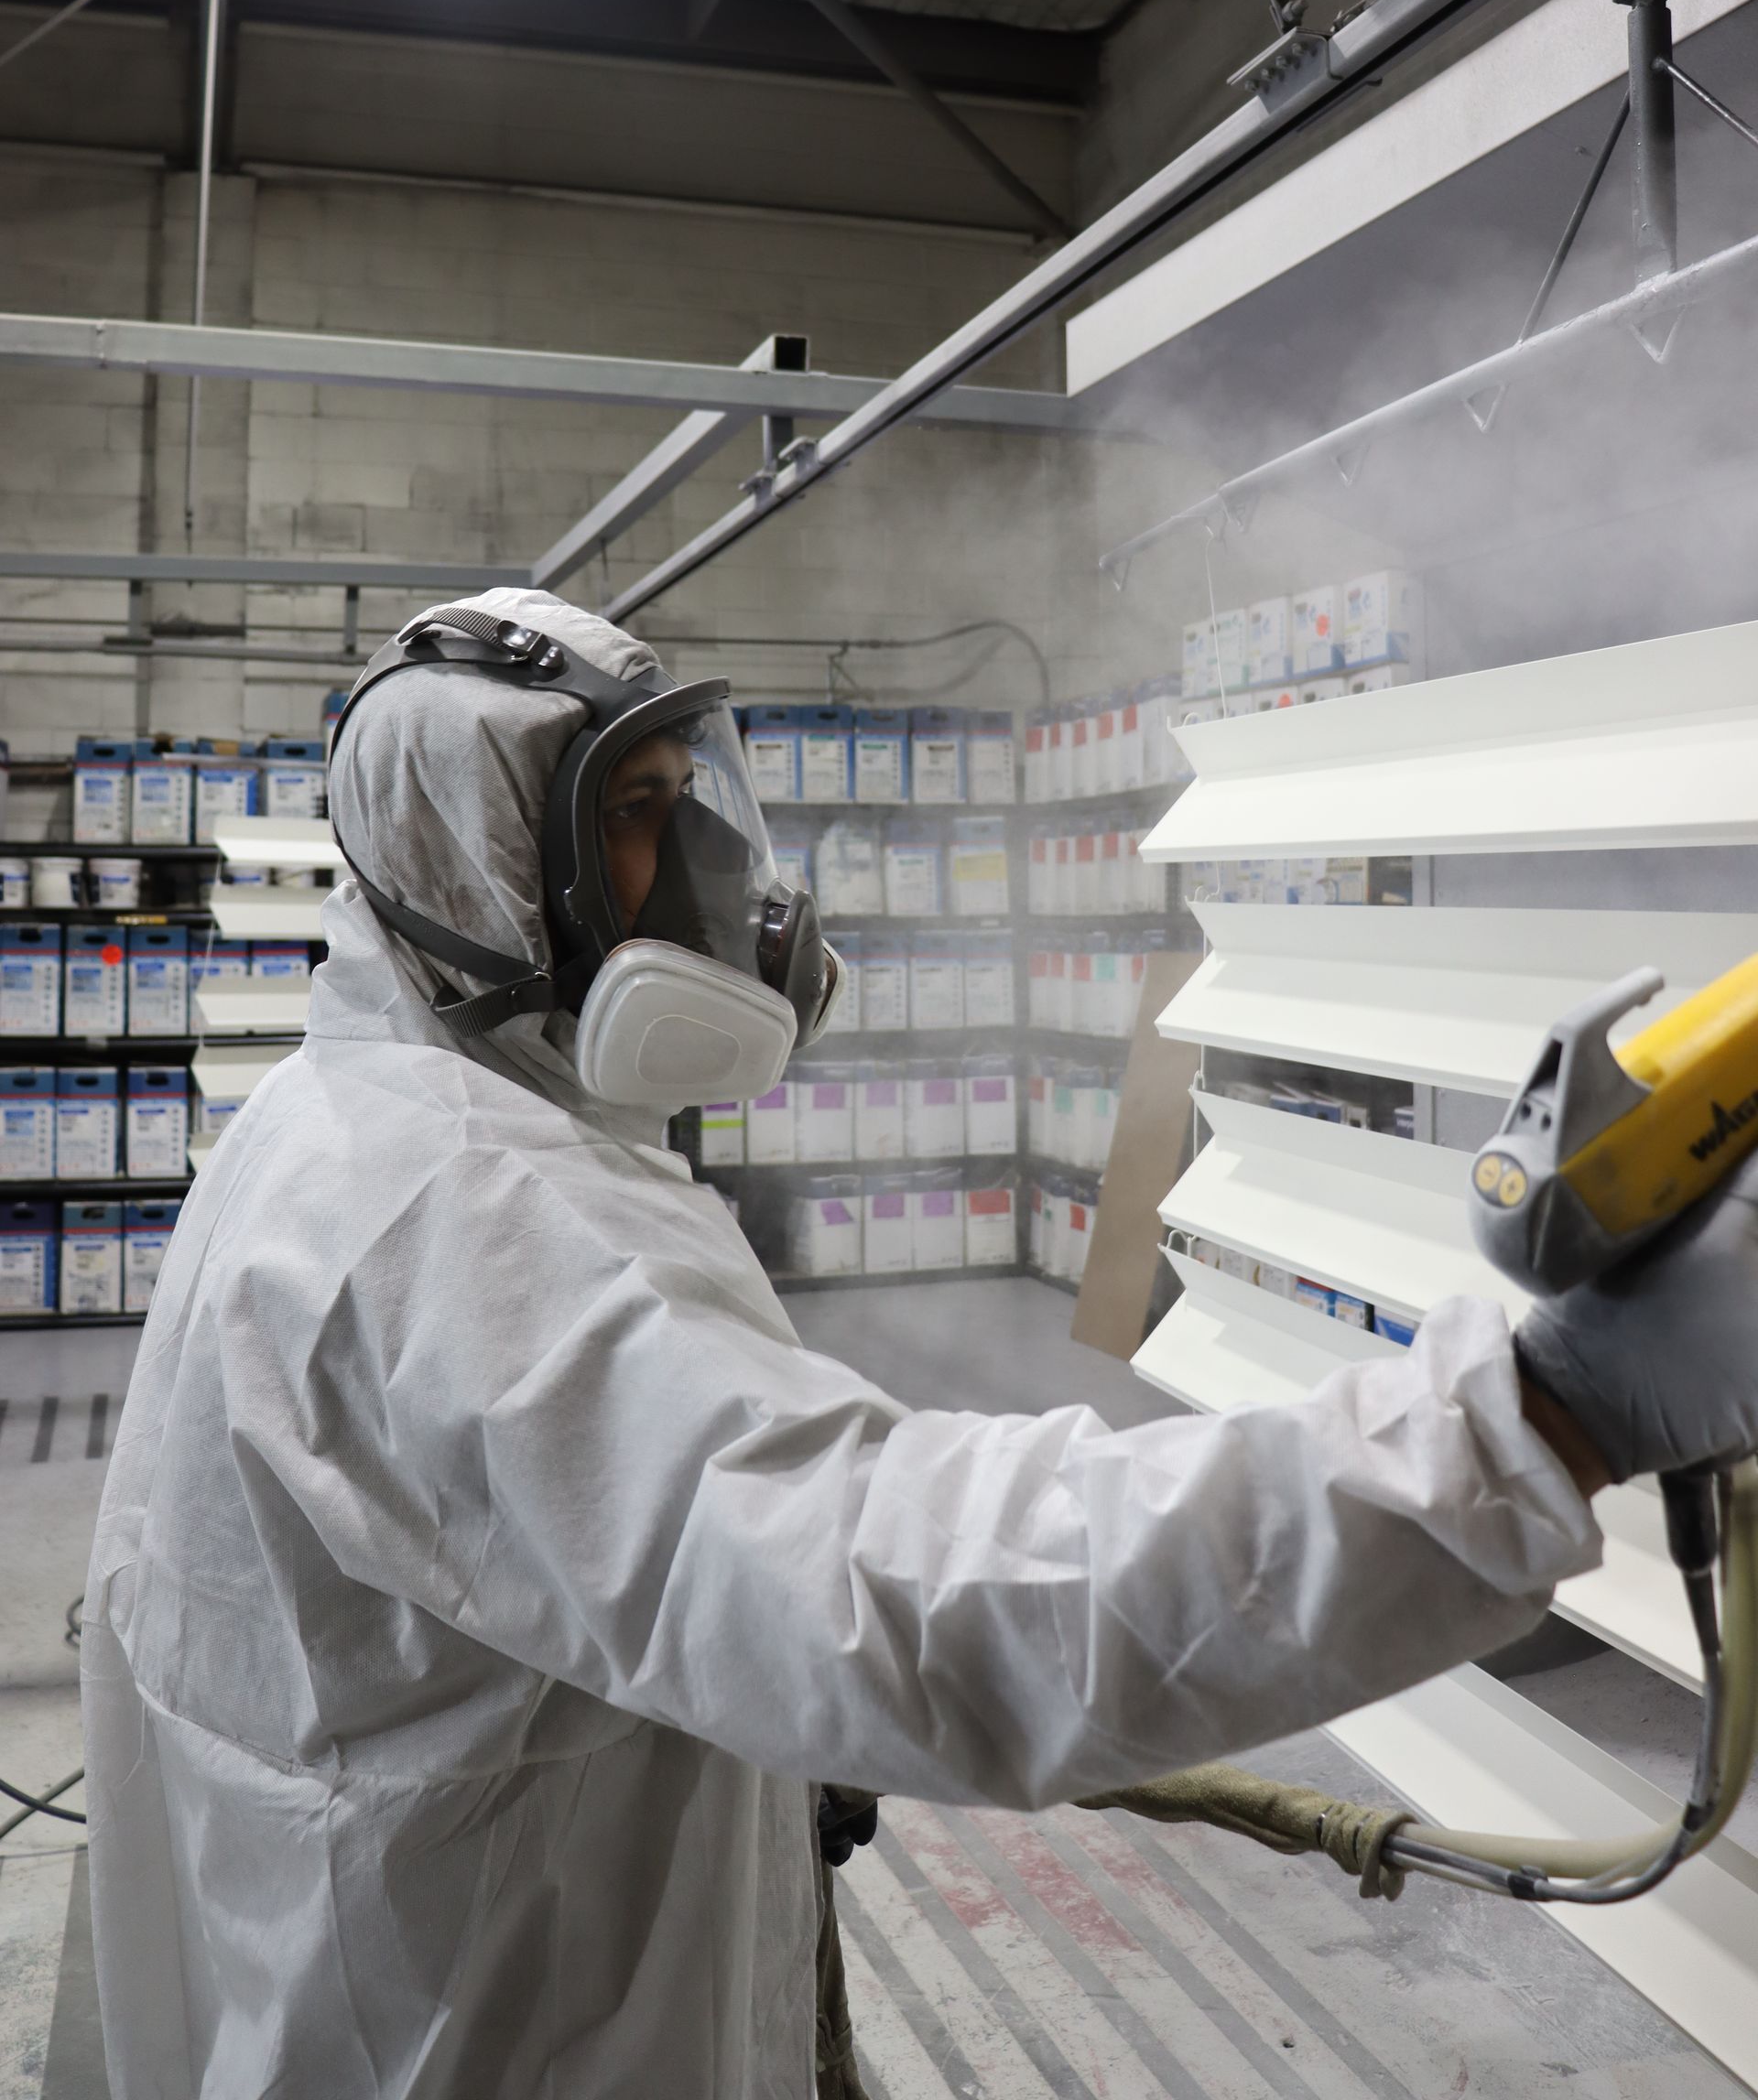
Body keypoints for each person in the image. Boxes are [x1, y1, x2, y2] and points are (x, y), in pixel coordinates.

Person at [81, 588, 1758, 2100]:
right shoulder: (455, 1217)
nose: (726, 882)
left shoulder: (348, 1121)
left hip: (416, 1956)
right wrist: (1539, 1417)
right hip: (497, 2027)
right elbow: (900, 1598)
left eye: (694, 802)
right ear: (482, 878)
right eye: (642, 821)